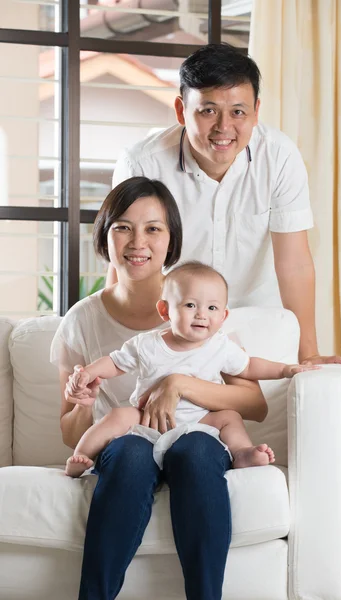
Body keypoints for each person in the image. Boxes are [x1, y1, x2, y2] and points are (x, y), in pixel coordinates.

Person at [53, 176, 267, 600]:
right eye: (123, 227)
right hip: (128, 440)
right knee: (130, 455)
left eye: (153, 228)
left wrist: (179, 384)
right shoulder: (80, 319)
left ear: (171, 240)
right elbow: (69, 431)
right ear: (105, 235)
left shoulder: (200, 305)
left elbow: (254, 403)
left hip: (194, 437)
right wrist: (84, 403)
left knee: (197, 450)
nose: (138, 242)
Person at [109, 43, 341, 382]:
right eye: (208, 111)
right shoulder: (141, 162)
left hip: (257, 324)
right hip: (172, 326)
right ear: (182, 111)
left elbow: (294, 263)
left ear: (256, 111)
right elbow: (125, 258)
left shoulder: (279, 156)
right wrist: (110, 337)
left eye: (238, 112)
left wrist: (309, 354)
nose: (224, 128)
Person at [65, 261, 320, 479]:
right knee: (117, 416)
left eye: (212, 308)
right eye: (190, 306)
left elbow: (250, 366)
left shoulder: (221, 346)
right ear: (165, 310)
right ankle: (81, 457)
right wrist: (87, 373)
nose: (201, 315)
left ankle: (242, 453)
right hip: (147, 419)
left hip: (200, 421)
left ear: (223, 316)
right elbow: (114, 362)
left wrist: (286, 369)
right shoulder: (147, 344)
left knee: (229, 416)